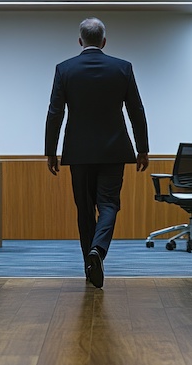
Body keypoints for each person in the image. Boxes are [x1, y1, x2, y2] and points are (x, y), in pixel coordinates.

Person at [45, 17, 149, 289]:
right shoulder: (122, 68)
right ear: (104, 41)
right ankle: (98, 251)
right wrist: (142, 149)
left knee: (84, 209)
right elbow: (136, 111)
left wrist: (50, 151)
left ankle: (89, 267)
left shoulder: (65, 69)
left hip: (78, 152)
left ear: (80, 41)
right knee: (109, 205)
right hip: (114, 150)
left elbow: (55, 112)